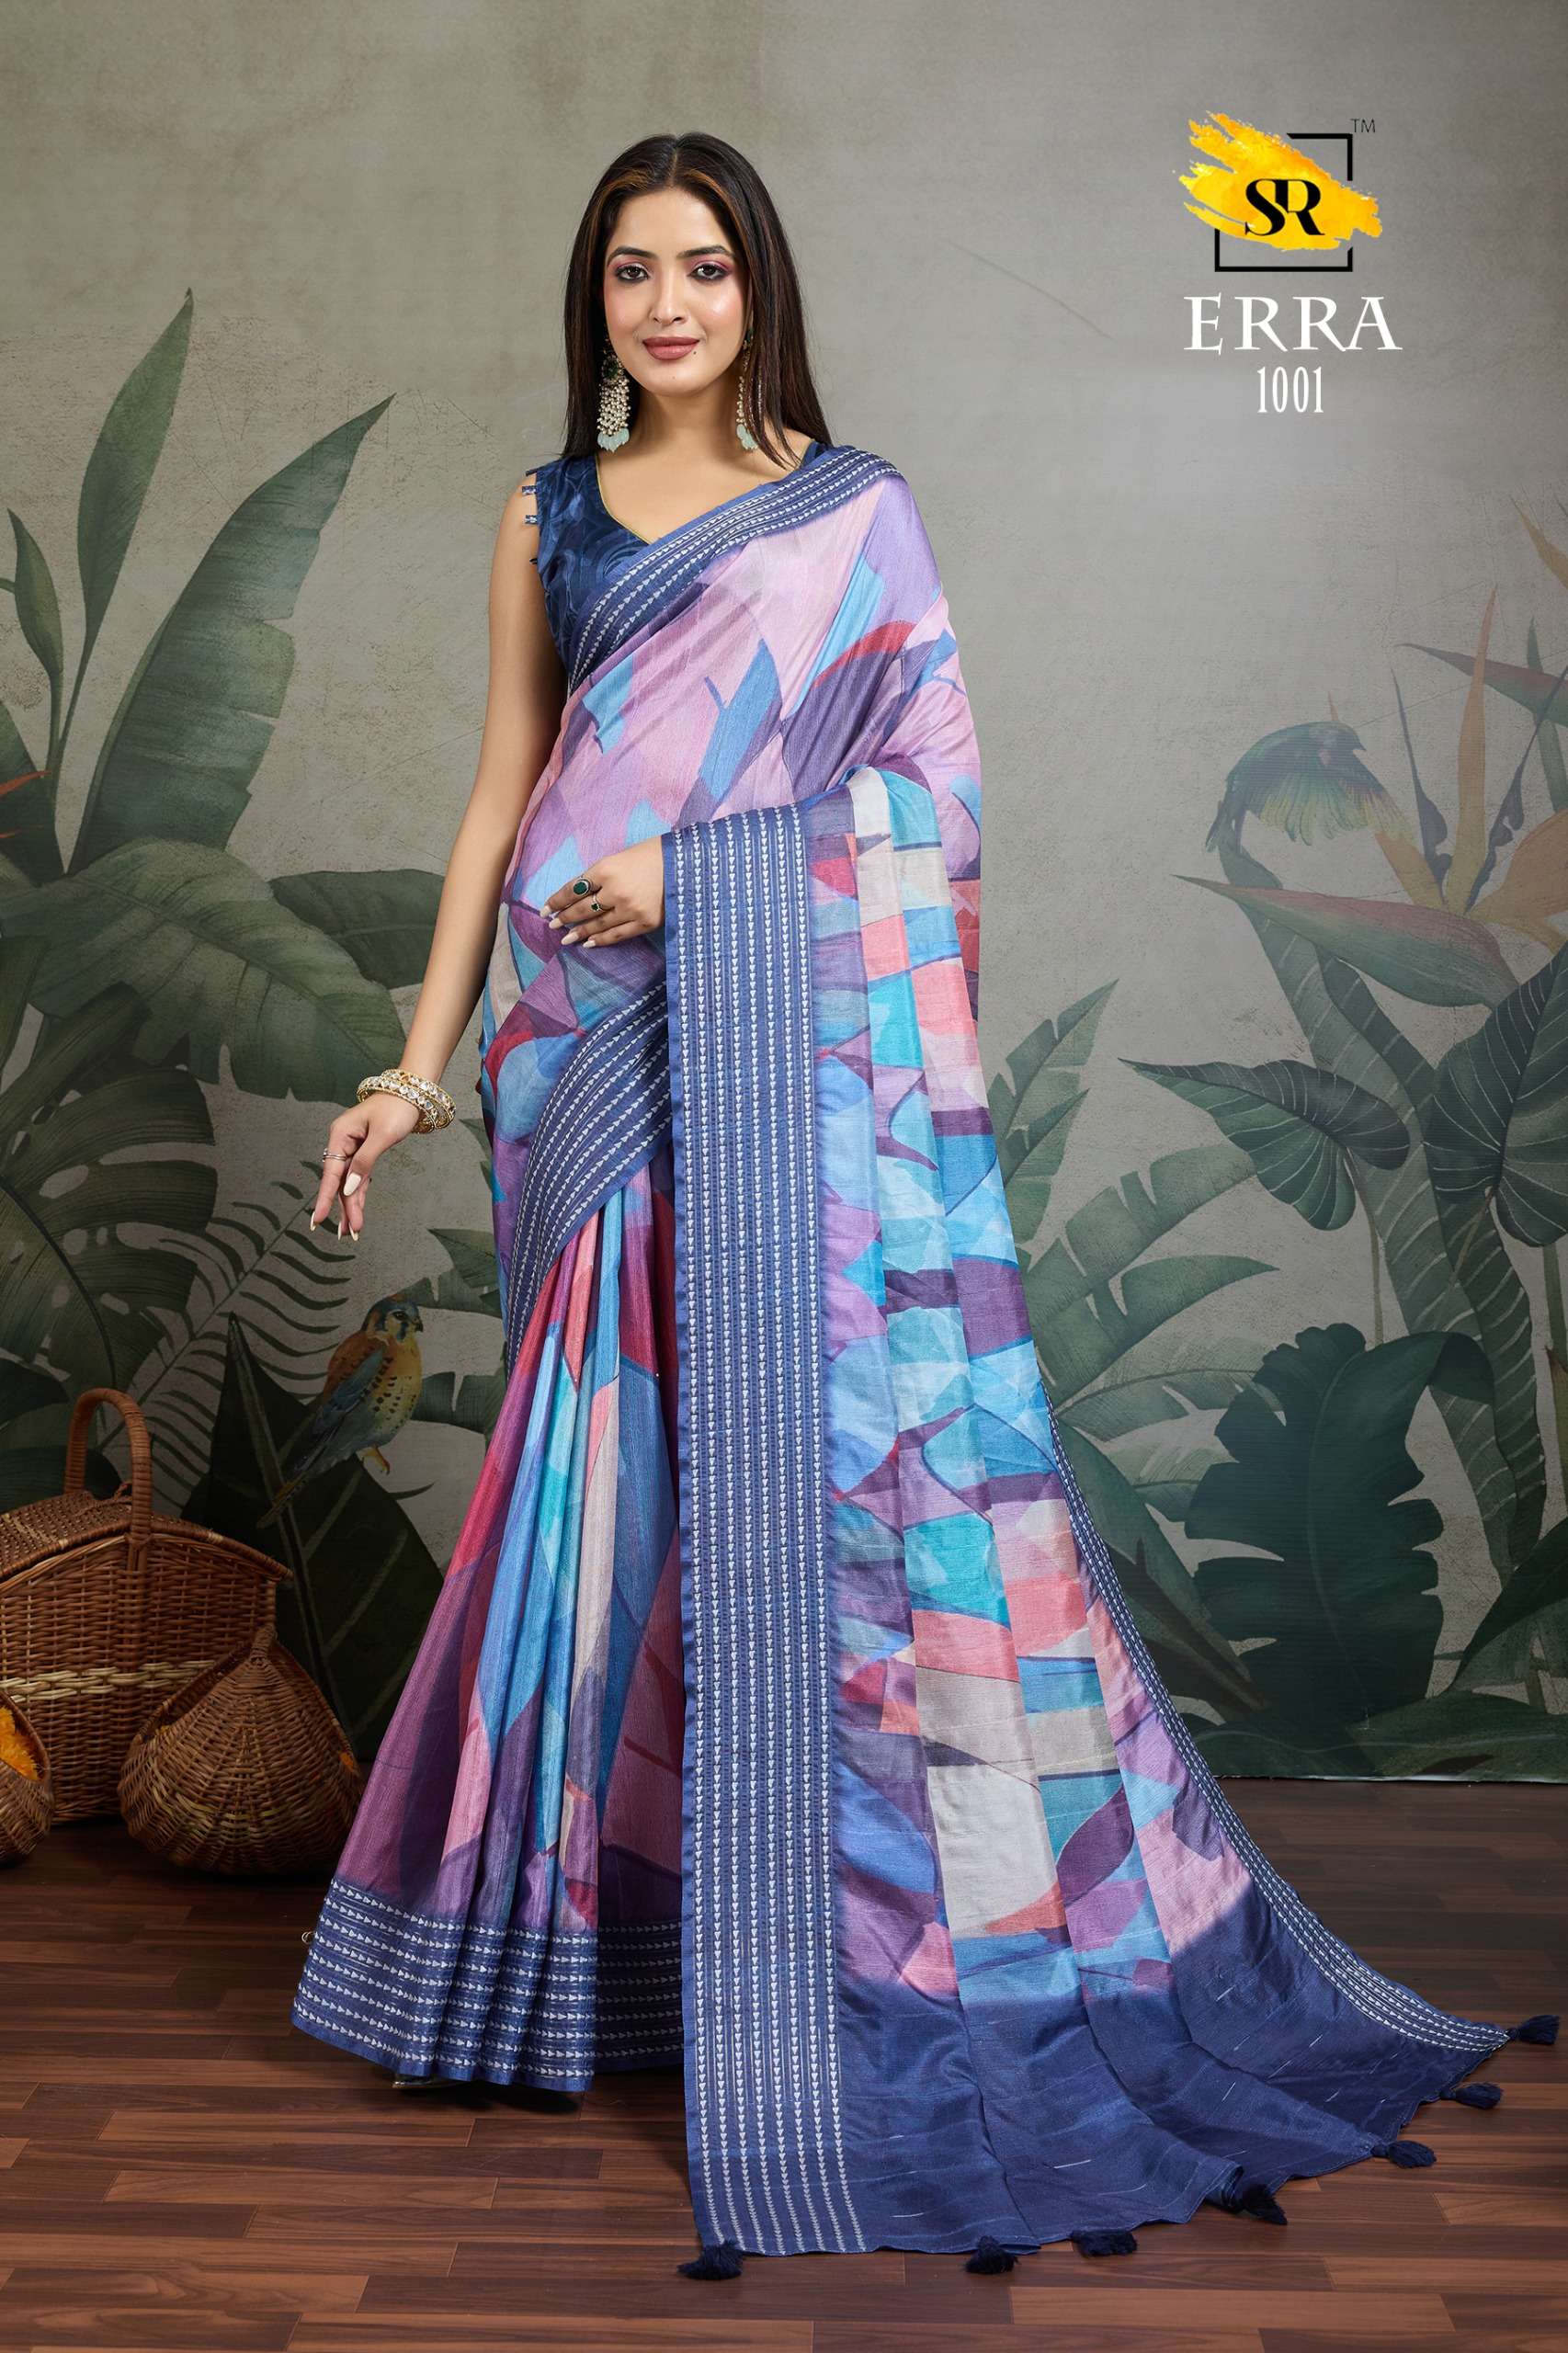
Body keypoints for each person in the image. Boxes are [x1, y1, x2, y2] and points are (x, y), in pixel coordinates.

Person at [290, 131, 1552, 2279]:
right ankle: (546, 1957)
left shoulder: (855, 515)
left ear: (757, 286)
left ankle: (801, 1938)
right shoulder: (548, 513)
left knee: (781, 1470)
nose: (665, 306)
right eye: (629, 272)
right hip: (572, 1036)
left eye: (701, 268)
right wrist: (415, 1063)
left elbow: (936, 806)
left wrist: (697, 878)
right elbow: (501, 791)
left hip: (762, 1022)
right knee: (598, 1465)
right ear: (592, 297)